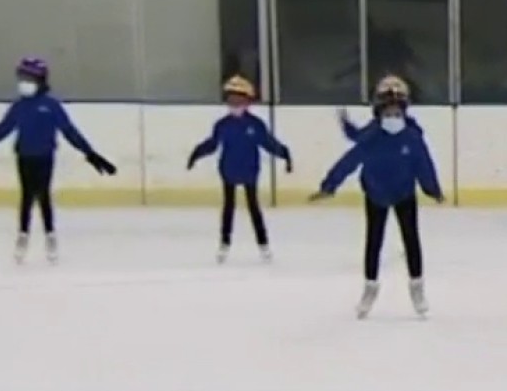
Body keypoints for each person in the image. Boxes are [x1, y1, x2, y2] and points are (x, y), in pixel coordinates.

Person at [0, 57, 117, 263]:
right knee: (27, 195)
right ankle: (23, 235)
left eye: (28, 78)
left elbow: (70, 132)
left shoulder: (51, 106)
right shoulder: (19, 107)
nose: (23, 82)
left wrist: (91, 154)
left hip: (45, 157)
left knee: (43, 194)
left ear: (40, 80)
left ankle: (50, 235)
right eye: (22, 77)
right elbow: (0, 131)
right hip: (24, 156)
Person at [312, 75, 444, 318]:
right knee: (374, 242)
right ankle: (370, 288)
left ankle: (417, 288)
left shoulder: (412, 137)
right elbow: (348, 162)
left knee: (411, 240)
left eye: (397, 110)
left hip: (404, 194)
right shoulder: (371, 138)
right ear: (379, 110)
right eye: (388, 110)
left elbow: (424, 164)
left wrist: (432, 189)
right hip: (376, 193)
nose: (392, 116)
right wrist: (329, 186)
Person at [187, 75, 293, 263]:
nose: (235, 104)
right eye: (231, 100)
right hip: (228, 170)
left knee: (254, 207)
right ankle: (224, 243)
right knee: (229, 207)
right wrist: (196, 154)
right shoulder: (223, 125)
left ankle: (263, 245)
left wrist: (284, 154)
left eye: (239, 100)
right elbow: (212, 144)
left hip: (250, 170)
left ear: (247, 101)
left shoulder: (255, 124)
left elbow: (268, 143)